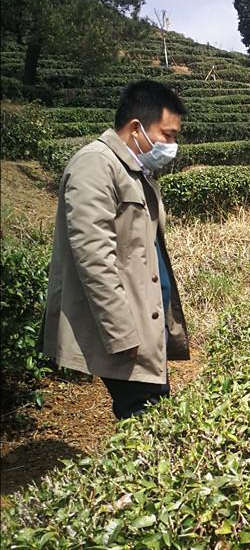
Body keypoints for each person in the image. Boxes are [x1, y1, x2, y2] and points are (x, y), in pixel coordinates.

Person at [40, 80, 190, 420]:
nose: (172, 145)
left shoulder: (135, 169)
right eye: (167, 135)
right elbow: (94, 260)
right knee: (145, 419)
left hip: (146, 321)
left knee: (155, 411)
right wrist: (123, 334)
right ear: (137, 128)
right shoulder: (94, 166)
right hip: (128, 330)